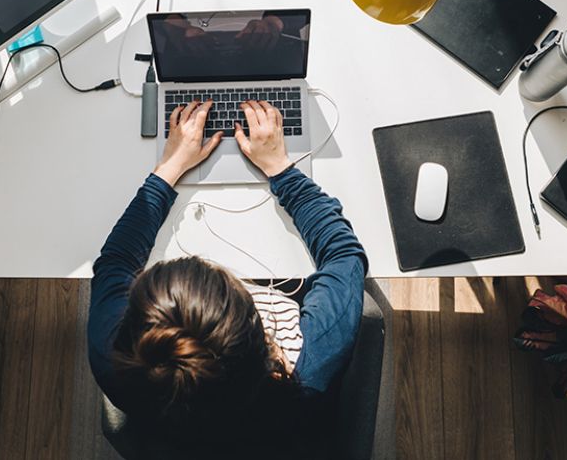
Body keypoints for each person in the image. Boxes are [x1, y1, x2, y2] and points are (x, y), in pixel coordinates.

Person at [88, 99, 367, 459]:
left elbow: (116, 260)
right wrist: (281, 170)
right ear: (260, 329)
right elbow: (344, 254)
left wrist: (170, 166)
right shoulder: (304, 371)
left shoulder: (112, 357)